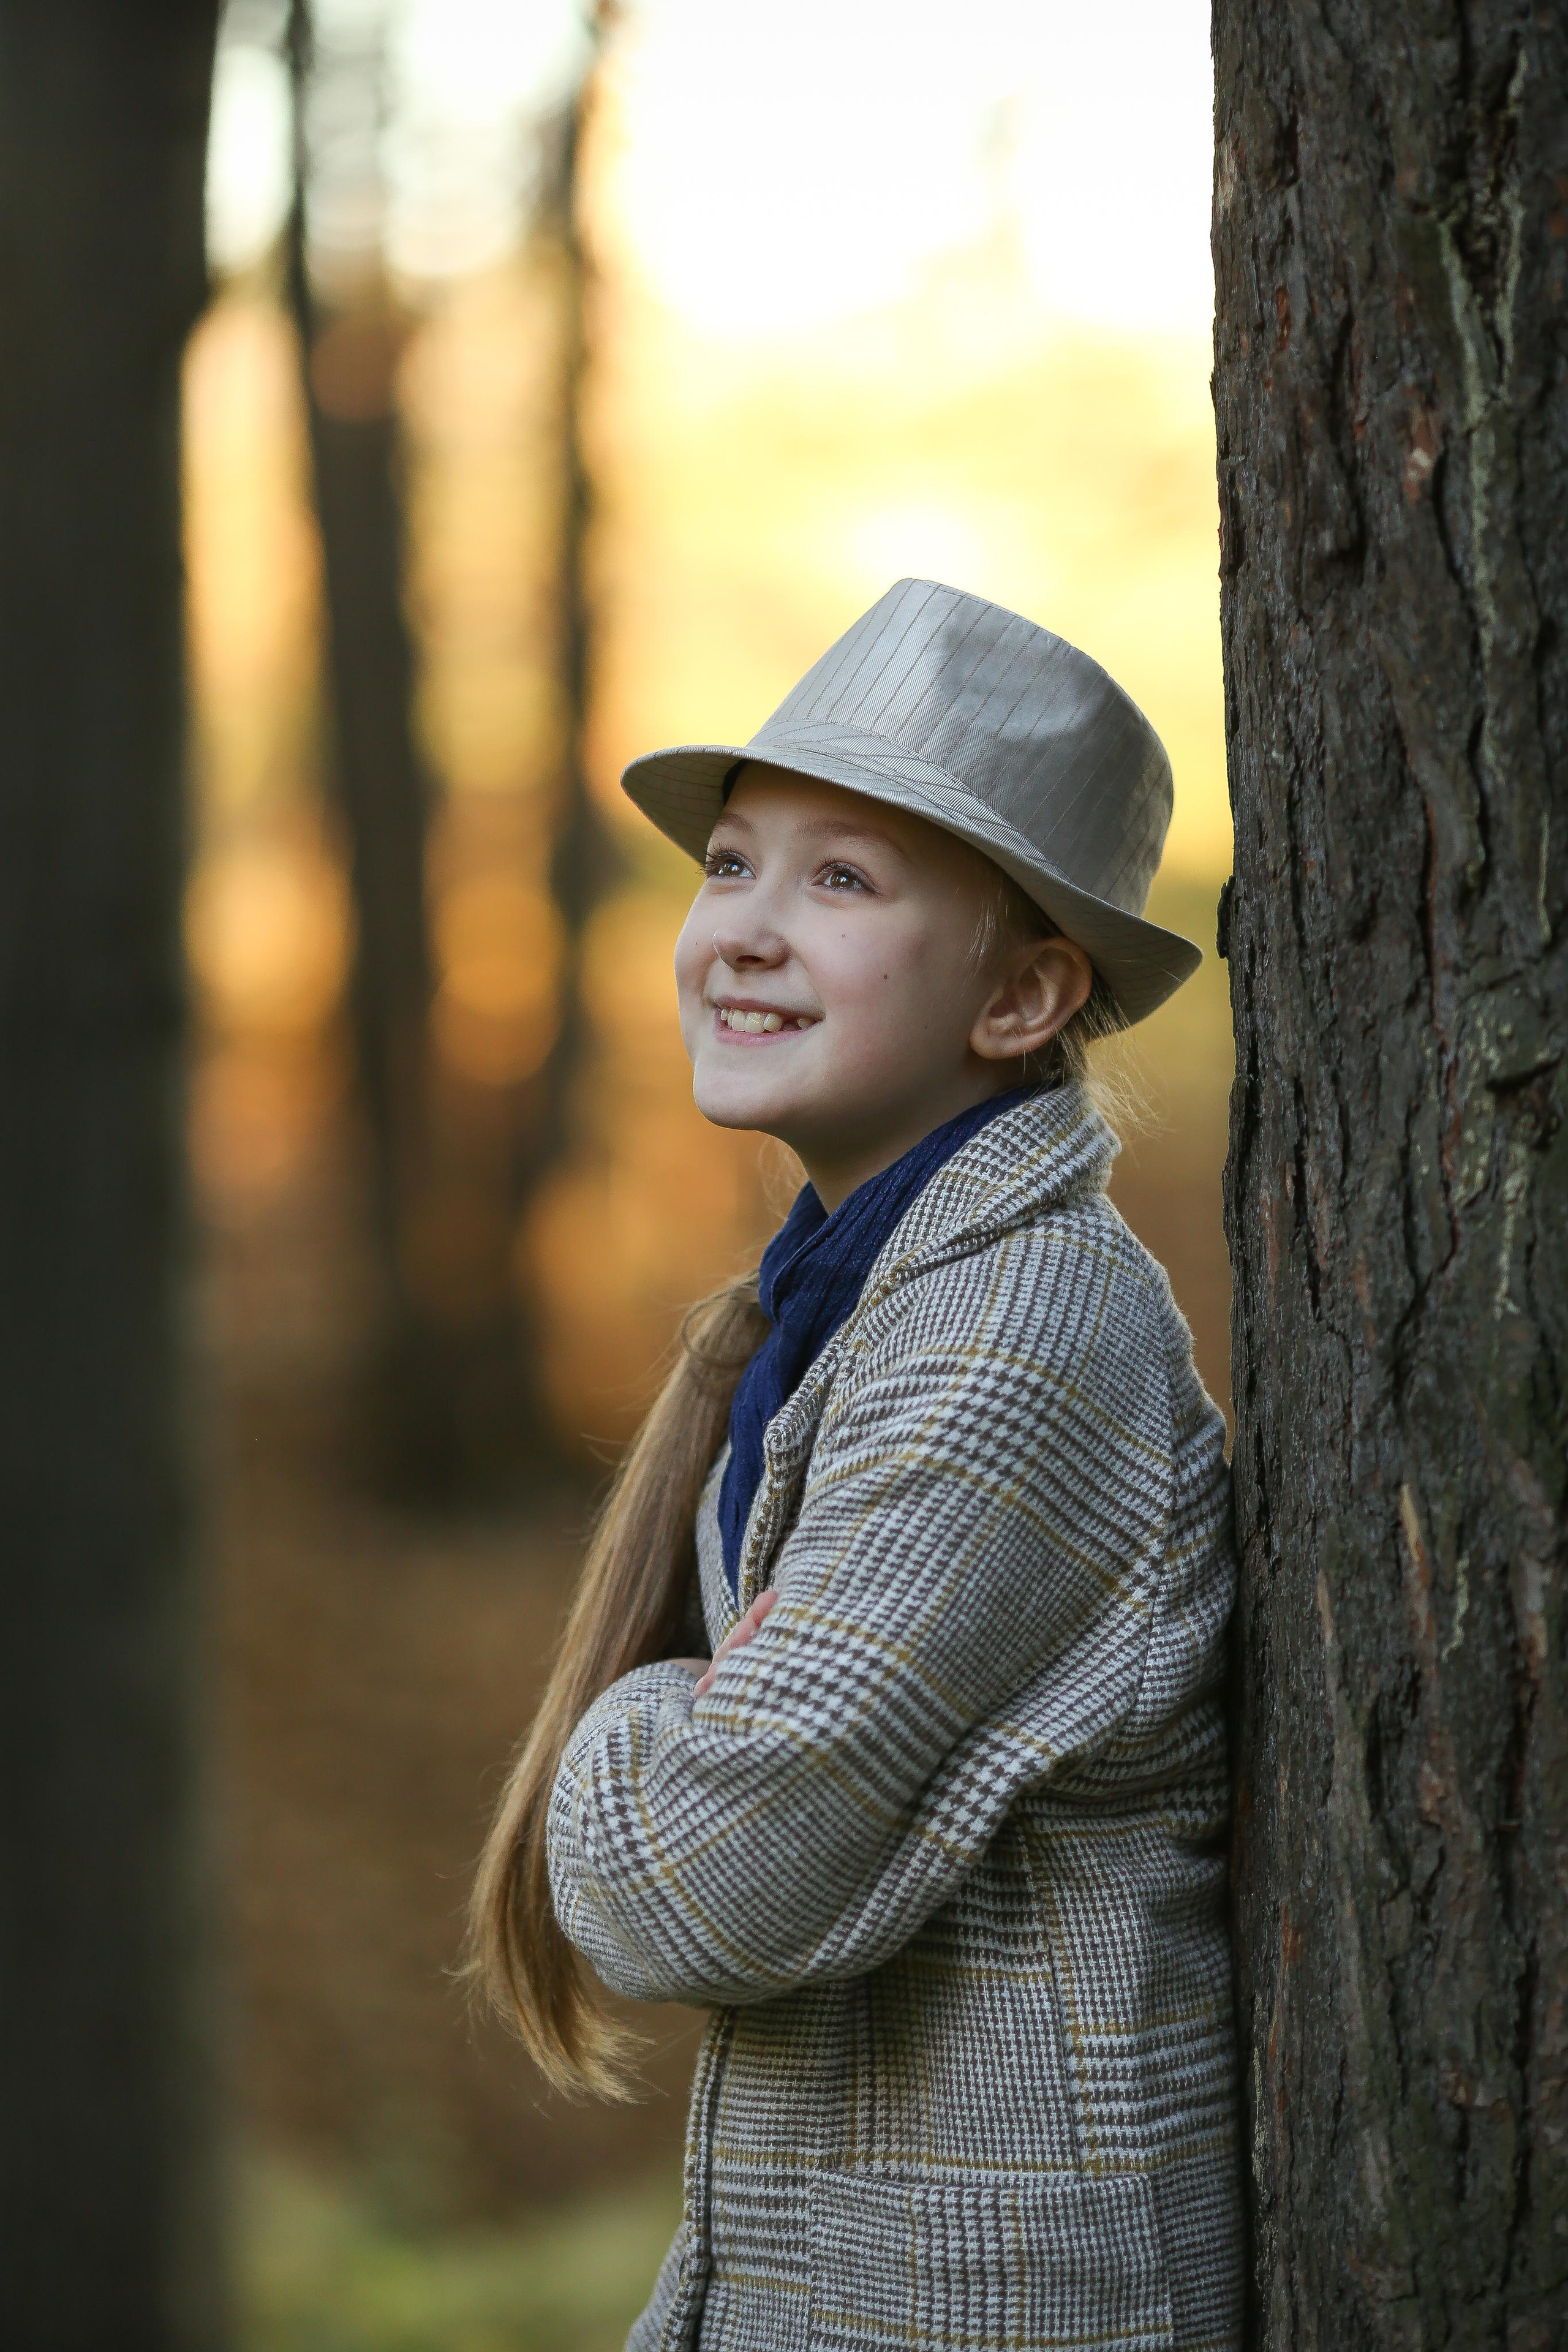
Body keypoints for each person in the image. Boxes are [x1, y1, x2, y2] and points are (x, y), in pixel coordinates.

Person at [470, 578, 1242, 2351]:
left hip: (1009, 2304)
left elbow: (711, 1871)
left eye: (842, 882)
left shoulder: (1019, 1341)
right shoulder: (861, 1301)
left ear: (1026, 994)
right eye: (732, 862)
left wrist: (635, 1725)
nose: (742, 927)